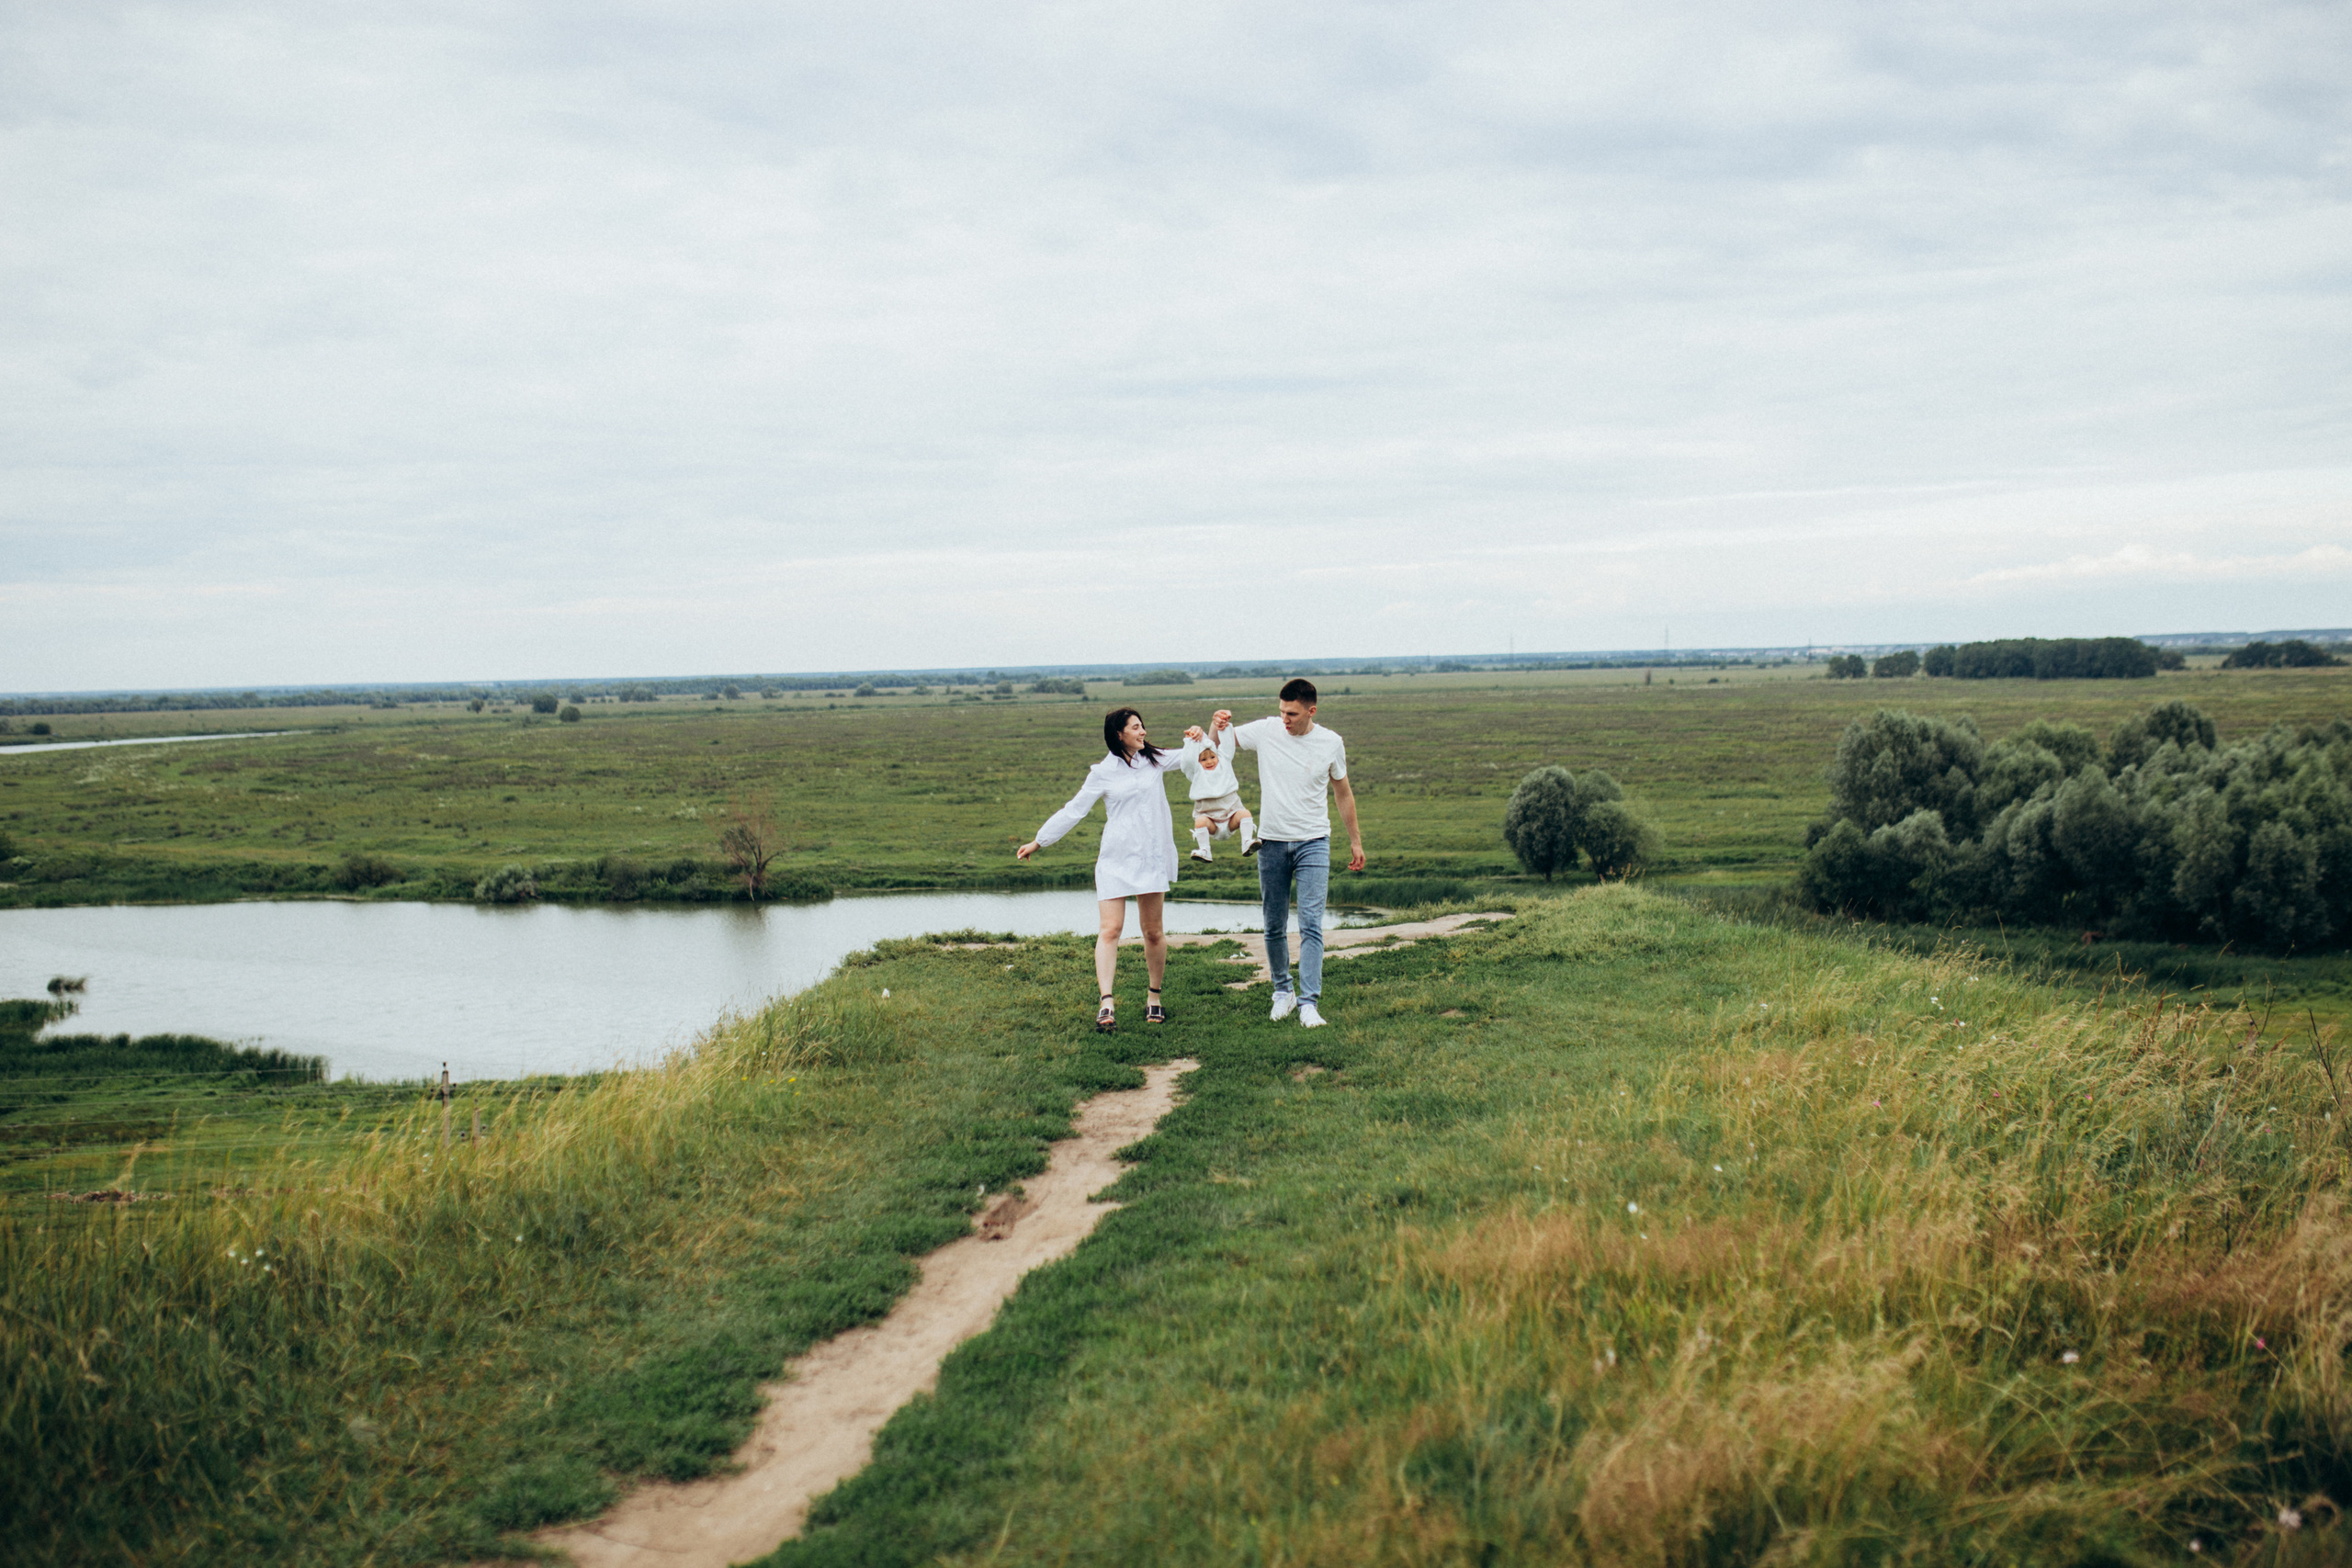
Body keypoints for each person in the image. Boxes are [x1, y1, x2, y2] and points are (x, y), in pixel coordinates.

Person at [1016, 707, 1186, 1032]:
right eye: (1136, 727)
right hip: (1115, 859)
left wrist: (1209, 730)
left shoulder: (1155, 759)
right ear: (1118, 734)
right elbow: (1074, 810)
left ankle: (1154, 997)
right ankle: (1106, 1003)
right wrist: (1040, 841)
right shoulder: (1102, 772)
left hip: (1150, 856)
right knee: (1110, 930)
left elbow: (1196, 755)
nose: (1143, 732)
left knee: (1153, 931)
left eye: (1143, 726)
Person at [1220, 678, 1363, 1029]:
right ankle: (1281, 992)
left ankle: (1309, 1003)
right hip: (1270, 842)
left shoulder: (1331, 742)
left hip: (1314, 841)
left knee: (1311, 924)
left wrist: (1355, 841)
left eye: (1292, 714)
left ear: (1311, 711)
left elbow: (1343, 793)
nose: (1285, 719)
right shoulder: (1268, 730)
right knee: (1273, 924)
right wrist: (1218, 723)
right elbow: (1222, 742)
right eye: (1282, 711)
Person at [1177, 714, 1257, 862]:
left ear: (1218, 756)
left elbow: (1227, 745)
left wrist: (1224, 727)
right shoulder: (1196, 773)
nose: (1209, 762)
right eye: (1203, 759)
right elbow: (1188, 761)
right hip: (1211, 821)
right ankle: (1205, 850)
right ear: (1198, 761)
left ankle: (1247, 842)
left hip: (1231, 815)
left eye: (1212, 757)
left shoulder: (1224, 762)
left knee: (1245, 814)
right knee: (1200, 821)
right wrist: (1192, 739)